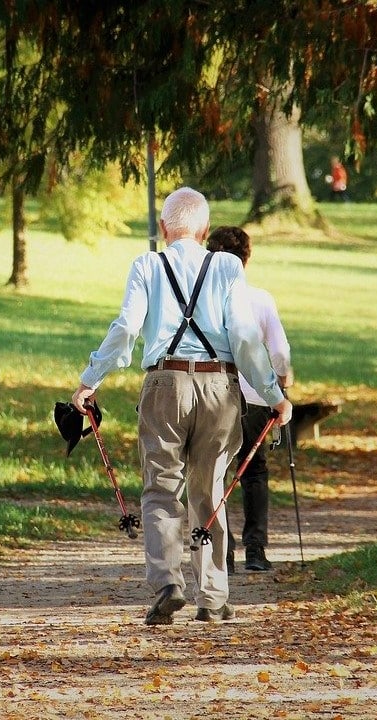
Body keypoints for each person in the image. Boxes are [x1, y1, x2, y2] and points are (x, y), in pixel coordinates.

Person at [71, 187, 293, 625]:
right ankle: (212, 597)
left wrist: (89, 381)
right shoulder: (228, 267)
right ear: (205, 230)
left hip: (164, 384)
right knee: (210, 490)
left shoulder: (147, 265)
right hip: (219, 386)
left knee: (160, 487)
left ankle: (168, 584)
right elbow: (246, 340)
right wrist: (274, 395)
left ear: (163, 229)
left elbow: (126, 328)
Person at [205, 226, 292, 574]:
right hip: (257, 396)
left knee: (217, 471)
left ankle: (222, 553)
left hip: (216, 394)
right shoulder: (260, 299)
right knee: (254, 471)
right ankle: (256, 550)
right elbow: (280, 350)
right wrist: (283, 380)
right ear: (247, 259)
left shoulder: (204, 301)